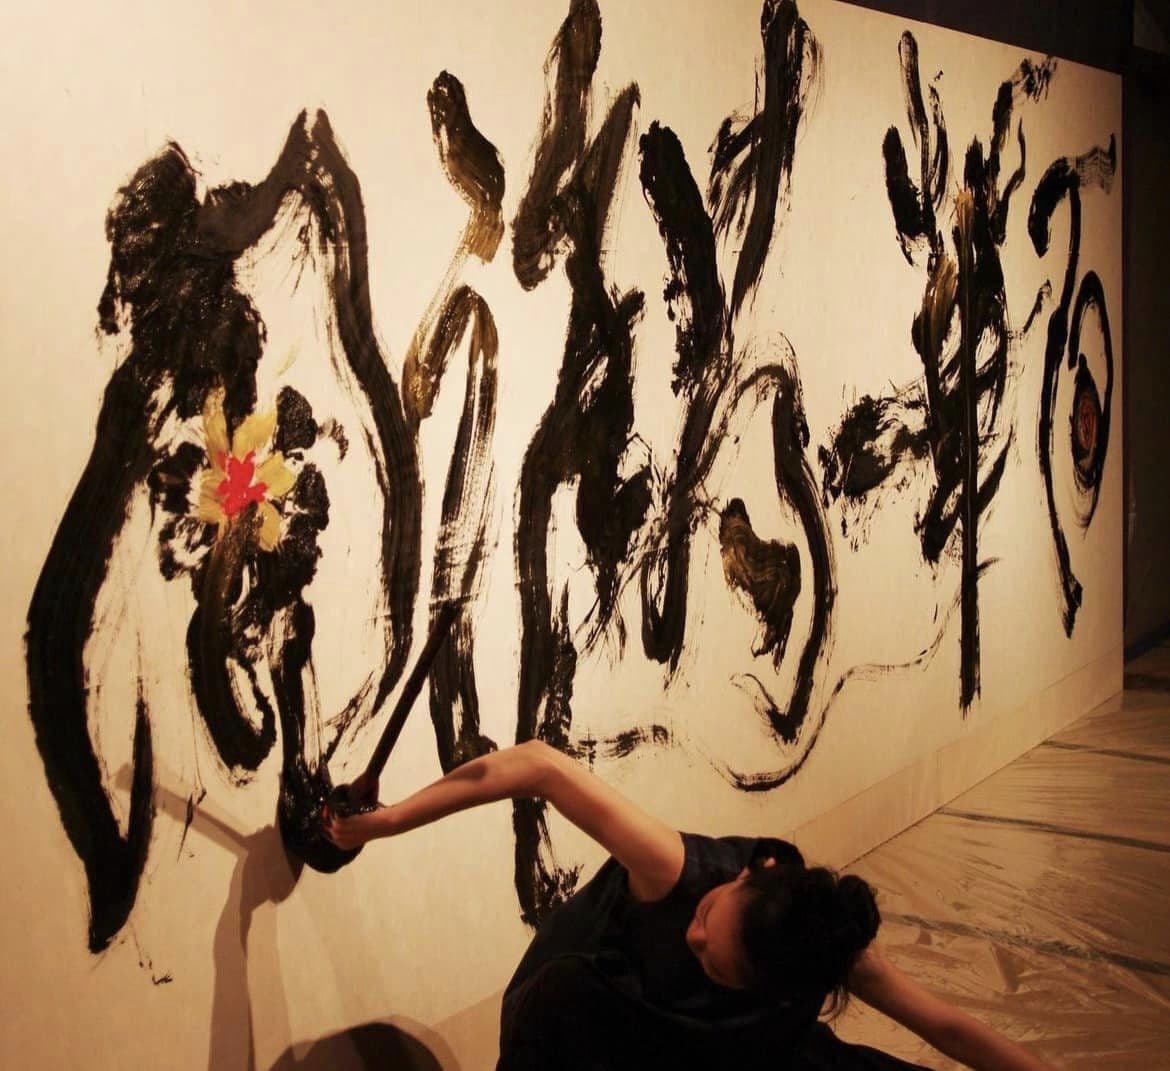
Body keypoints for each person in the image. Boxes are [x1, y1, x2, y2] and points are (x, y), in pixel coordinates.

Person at [324, 740, 1055, 1071]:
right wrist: (383, 824)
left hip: (725, 1053)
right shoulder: (678, 870)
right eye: (708, 922)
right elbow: (539, 766)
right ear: (755, 871)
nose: (698, 939)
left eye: (721, 965)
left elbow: (947, 1025)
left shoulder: (816, 942)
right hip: (603, 1020)